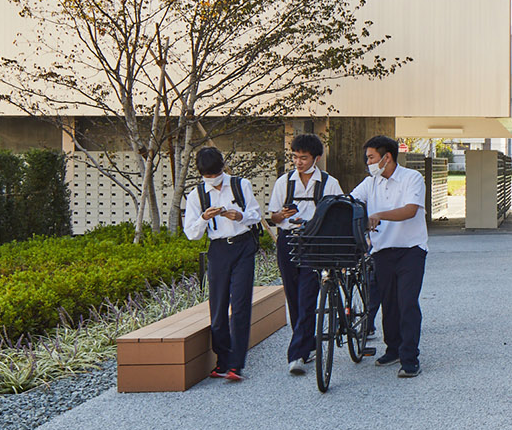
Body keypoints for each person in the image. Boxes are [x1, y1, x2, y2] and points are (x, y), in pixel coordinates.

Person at [349, 135, 427, 378]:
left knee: (407, 302)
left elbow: (410, 210)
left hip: (411, 250)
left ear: (387, 157)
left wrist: (379, 215)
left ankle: (410, 357)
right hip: (382, 250)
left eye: (371, 157)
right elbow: (351, 200)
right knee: (389, 305)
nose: (368, 162)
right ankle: (393, 349)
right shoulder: (370, 183)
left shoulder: (411, 178)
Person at [182, 146, 261, 382]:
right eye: (207, 176)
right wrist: (204, 218)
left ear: (222, 167)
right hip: (217, 250)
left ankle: (236, 365)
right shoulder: (197, 194)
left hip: (243, 245)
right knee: (217, 308)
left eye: (215, 174)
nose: (212, 180)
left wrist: (240, 216)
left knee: (240, 306)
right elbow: (191, 234)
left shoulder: (240, 184)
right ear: (201, 173)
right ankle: (222, 361)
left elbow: (256, 215)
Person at [267, 133, 342, 376]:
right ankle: (307, 344)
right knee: (293, 294)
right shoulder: (284, 182)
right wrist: (282, 216)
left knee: (307, 294)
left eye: (304, 158)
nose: (298, 162)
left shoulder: (329, 183)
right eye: (295, 157)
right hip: (288, 239)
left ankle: (296, 354)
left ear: (316, 158)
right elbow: (273, 217)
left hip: (315, 242)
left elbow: (339, 212)